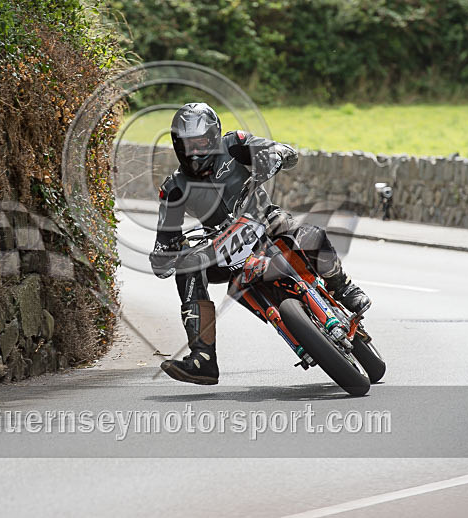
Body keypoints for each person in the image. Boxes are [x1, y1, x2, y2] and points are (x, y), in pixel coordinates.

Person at [149, 102, 371, 385]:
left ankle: (343, 287)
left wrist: (275, 155)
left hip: (264, 220)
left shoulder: (234, 144)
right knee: (188, 269)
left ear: (214, 136)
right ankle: (203, 358)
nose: (196, 150)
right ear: (177, 145)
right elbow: (164, 240)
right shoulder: (173, 187)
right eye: (188, 144)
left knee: (304, 232)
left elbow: (282, 151)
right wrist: (164, 254)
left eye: (201, 141)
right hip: (221, 249)